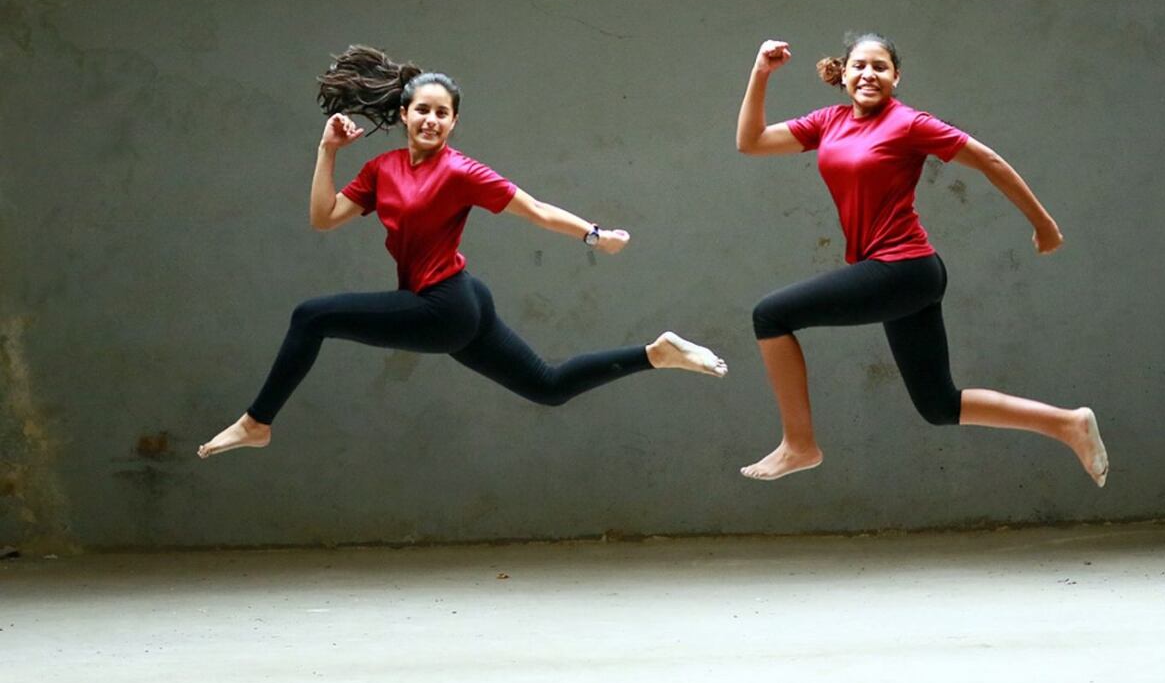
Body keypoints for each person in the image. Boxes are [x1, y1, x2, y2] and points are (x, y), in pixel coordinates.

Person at [198, 45, 726, 458]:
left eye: (442, 113)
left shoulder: (461, 172)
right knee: (548, 387)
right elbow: (324, 217)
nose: (431, 119)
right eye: (422, 110)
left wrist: (594, 234)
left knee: (311, 316)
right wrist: (327, 150)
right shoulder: (381, 169)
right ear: (404, 114)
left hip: (445, 305)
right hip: (459, 299)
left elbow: (535, 209)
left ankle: (257, 422)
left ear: (453, 123)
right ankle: (656, 354)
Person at [734, 33, 1108, 486]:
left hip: (903, 269)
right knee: (939, 405)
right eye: (859, 66)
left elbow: (989, 160)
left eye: (880, 67)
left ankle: (799, 444)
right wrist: (761, 72)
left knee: (771, 315)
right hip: (904, 275)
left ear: (896, 77)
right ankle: (1068, 424)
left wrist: (1043, 224)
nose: (868, 74)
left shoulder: (908, 124)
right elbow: (751, 142)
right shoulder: (828, 122)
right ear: (843, 73)